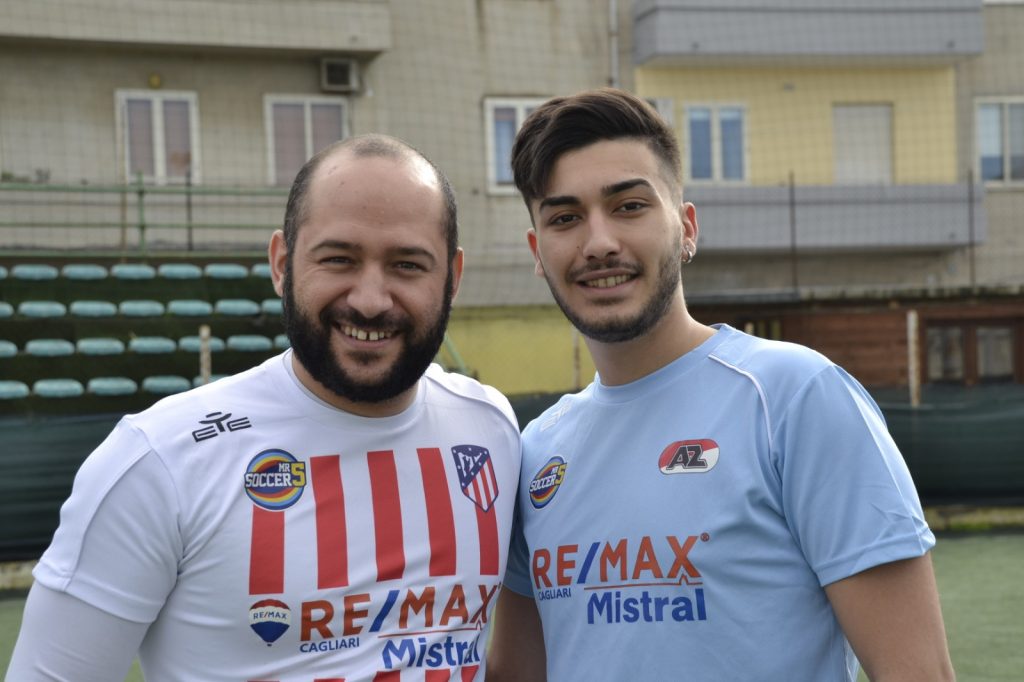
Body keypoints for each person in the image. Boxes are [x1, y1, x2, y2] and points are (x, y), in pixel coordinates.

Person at [7, 134, 521, 682]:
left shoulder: (491, 430)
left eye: (408, 265)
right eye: (338, 259)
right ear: (281, 264)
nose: (371, 300)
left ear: (453, 278)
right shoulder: (159, 460)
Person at [486, 89, 954, 681]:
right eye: (564, 218)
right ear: (538, 251)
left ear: (686, 228)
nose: (599, 243)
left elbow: (917, 672)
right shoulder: (536, 448)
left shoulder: (795, 396)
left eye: (629, 206)